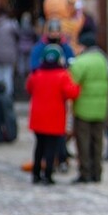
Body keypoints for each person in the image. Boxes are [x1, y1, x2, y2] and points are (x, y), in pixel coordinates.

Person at [26, 44, 81, 185]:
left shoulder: (36, 74)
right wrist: (79, 86)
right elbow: (71, 93)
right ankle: (48, 175)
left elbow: (29, 88)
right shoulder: (62, 75)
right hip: (54, 117)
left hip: (38, 116)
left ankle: (36, 174)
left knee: (39, 146)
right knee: (51, 147)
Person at [69, 33, 108, 183]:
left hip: (83, 109)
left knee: (83, 142)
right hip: (100, 108)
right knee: (98, 141)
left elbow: (72, 82)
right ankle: (97, 173)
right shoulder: (104, 60)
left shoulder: (81, 61)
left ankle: (85, 173)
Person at [16, 13, 38, 99]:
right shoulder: (31, 28)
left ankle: (22, 76)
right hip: (29, 47)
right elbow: (34, 35)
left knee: (22, 64)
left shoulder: (19, 27)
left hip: (21, 47)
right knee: (27, 64)